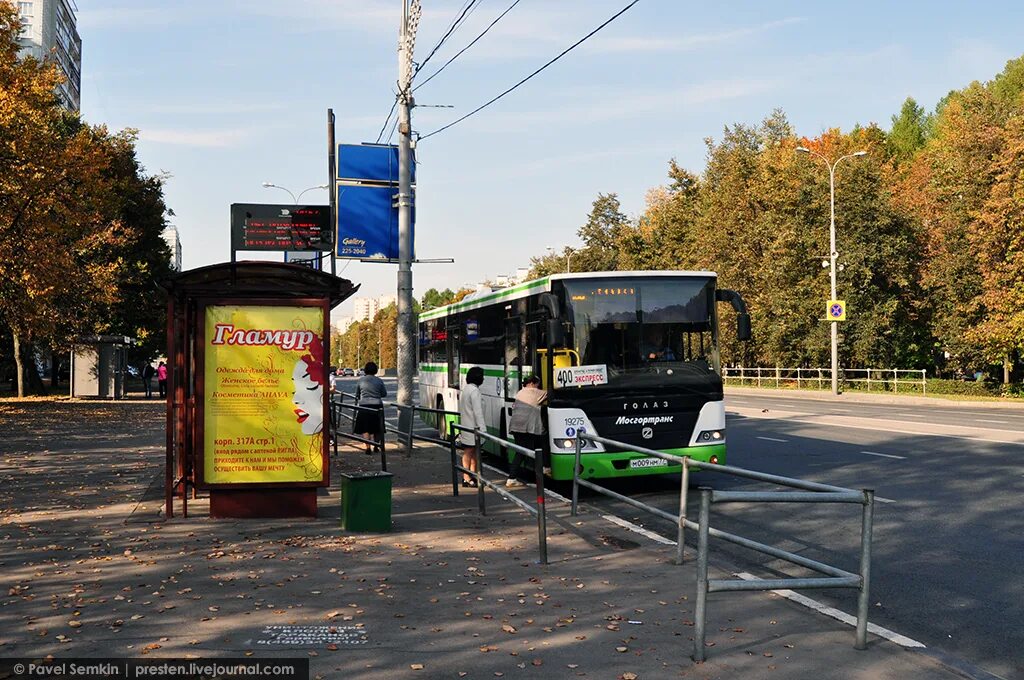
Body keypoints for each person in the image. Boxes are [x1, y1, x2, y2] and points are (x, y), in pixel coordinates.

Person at [507, 375, 547, 487]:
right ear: (532, 384)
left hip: (516, 427)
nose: (537, 387)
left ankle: (540, 471)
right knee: (523, 452)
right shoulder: (535, 392)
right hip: (526, 428)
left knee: (526, 450)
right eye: (537, 384)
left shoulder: (520, 392)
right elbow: (551, 393)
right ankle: (512, 478)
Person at [458, 366, 486, 487]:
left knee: (472, 452)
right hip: (473, 427)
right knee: (470, 452)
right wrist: (483, 429)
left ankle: (472, 476)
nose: (483, 379)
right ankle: (467, 477)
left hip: (466, 425)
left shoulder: (467, 389)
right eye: (482, 377)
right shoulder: (474, 391)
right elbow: (478, 412)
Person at [353, 362, 387, 453]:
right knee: (378, 427)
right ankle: (376, 445)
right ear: (375, 370)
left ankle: (367, 447)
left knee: (365, 427)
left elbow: (357, 394)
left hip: (364, 406)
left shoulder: (361, 380)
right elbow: (384, 394)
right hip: (377, 405)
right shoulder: (379, 381)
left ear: (365, 370)